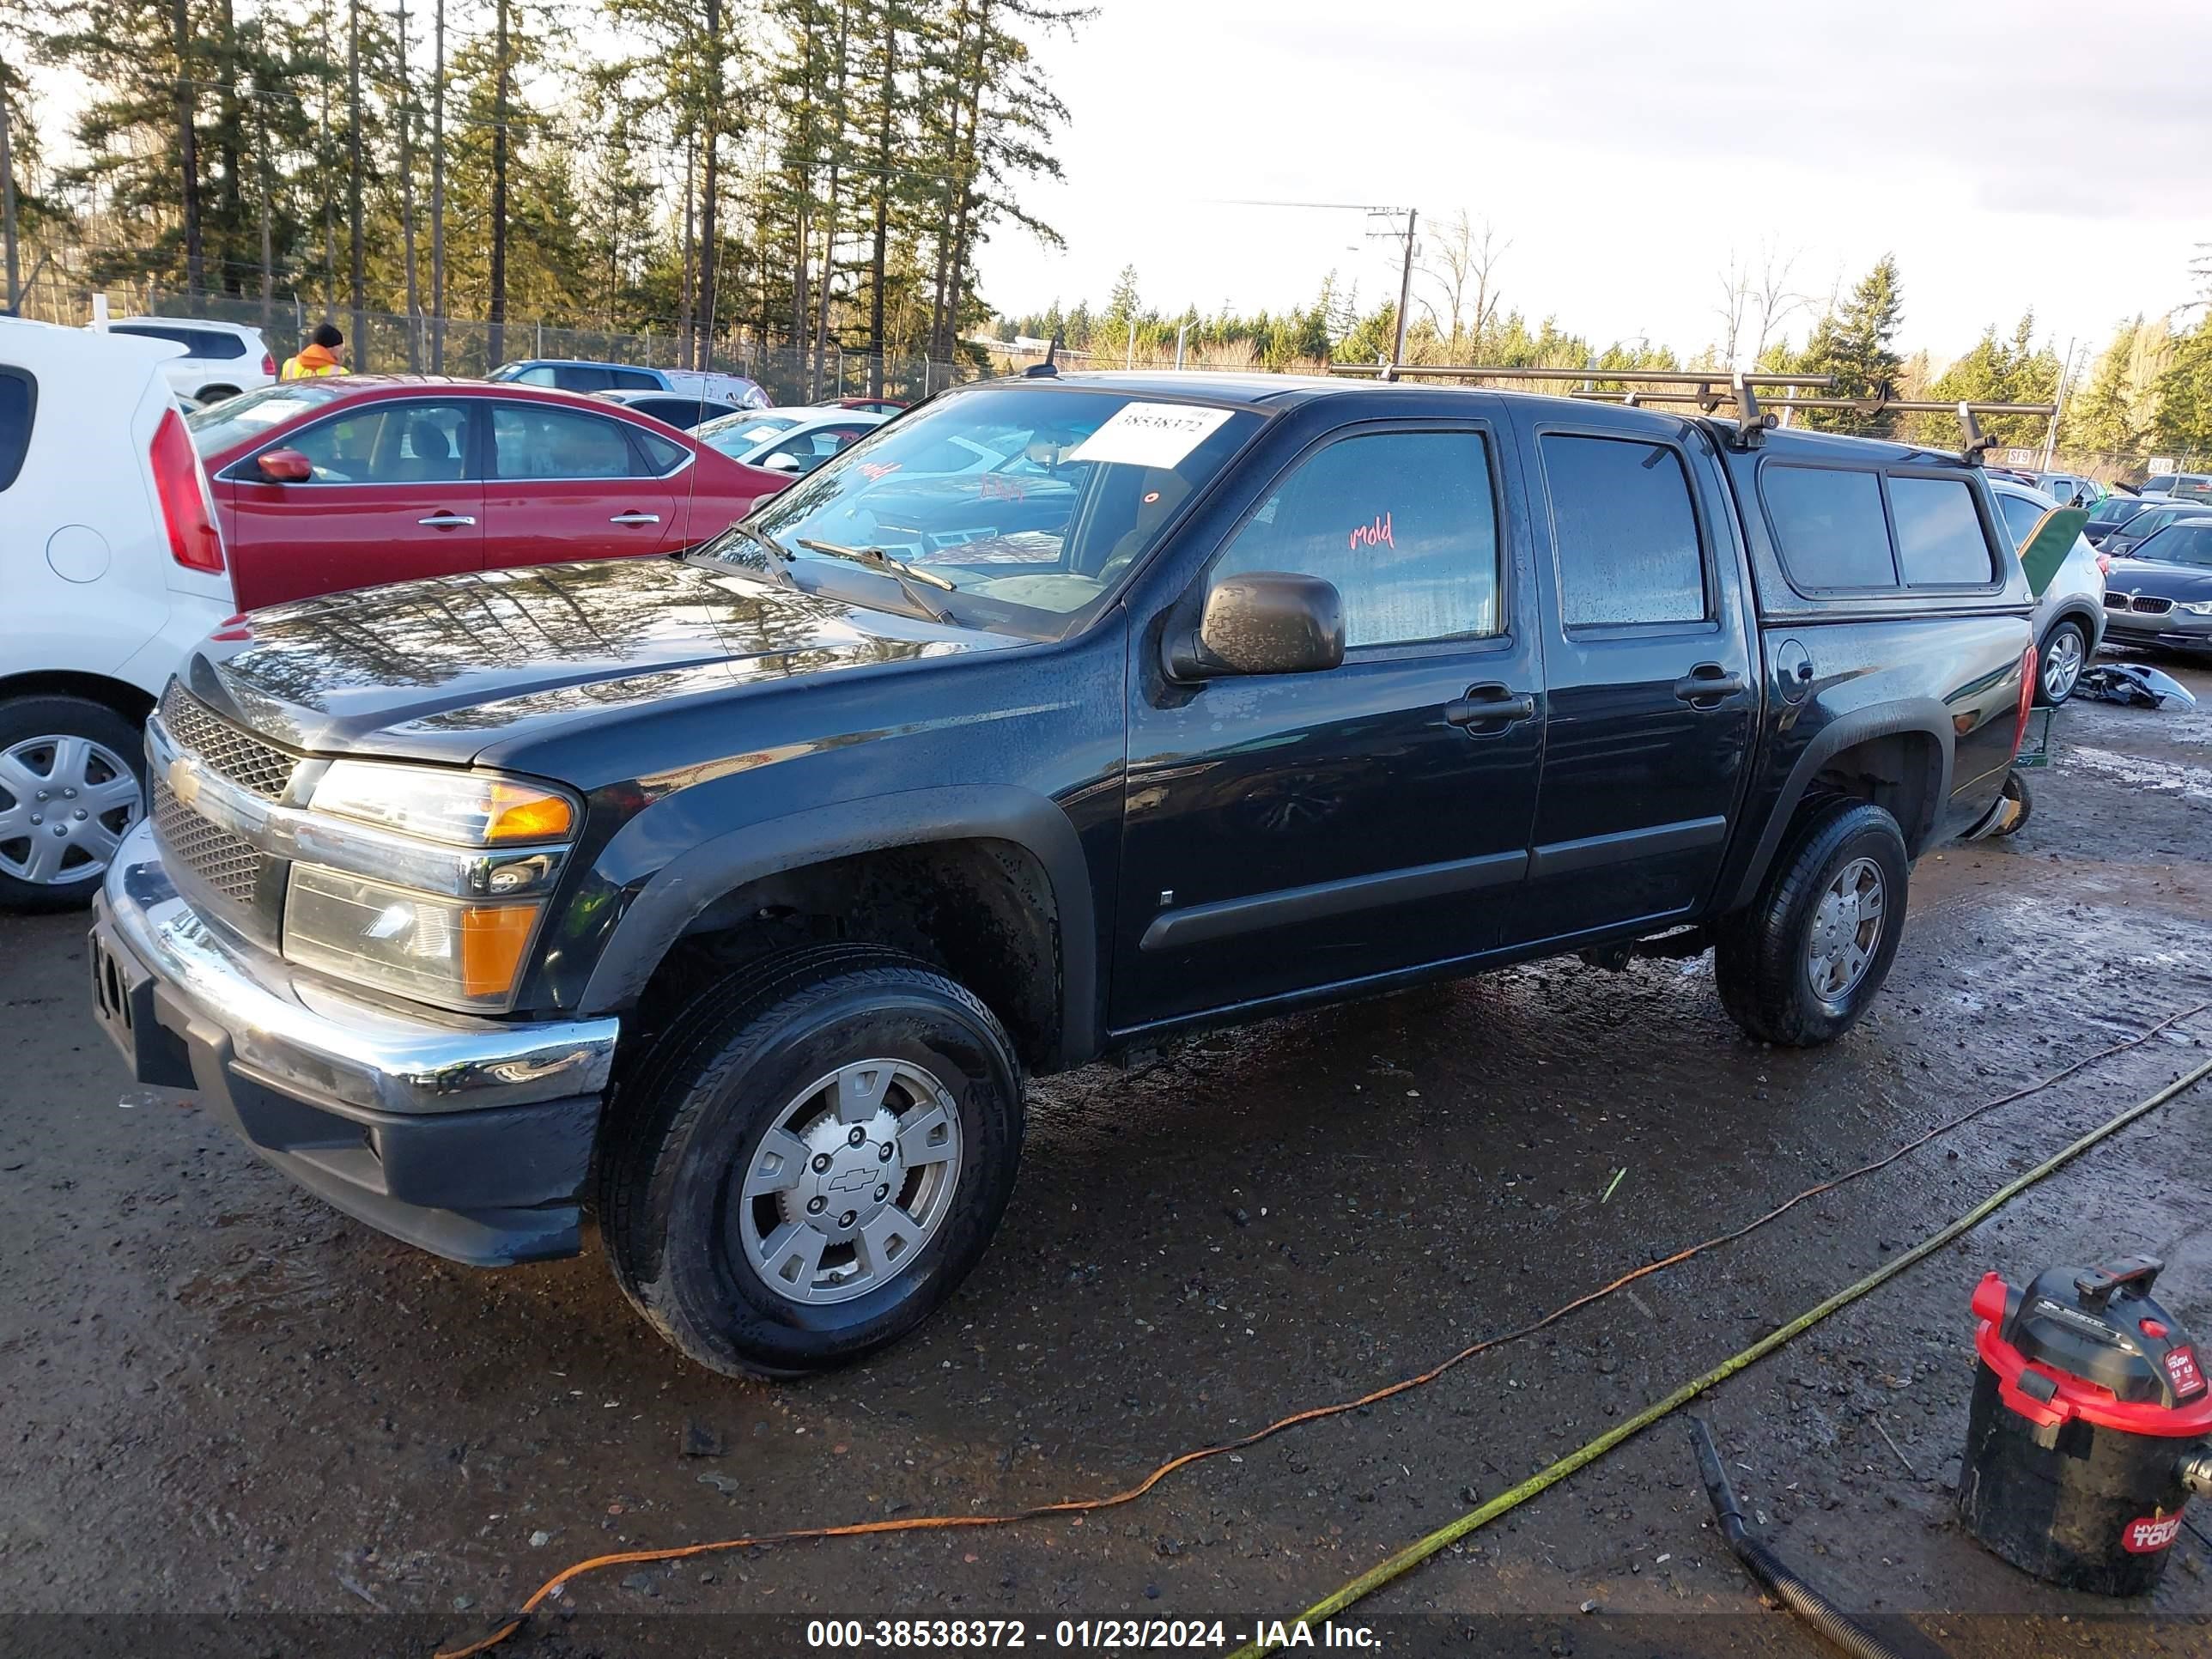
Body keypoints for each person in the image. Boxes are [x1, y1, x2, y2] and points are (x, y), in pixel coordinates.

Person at [281, 323, 349, 380]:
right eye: (341, 347)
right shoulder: (341, 374)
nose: (342, 352)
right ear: (331, 348)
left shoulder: (289, 365)